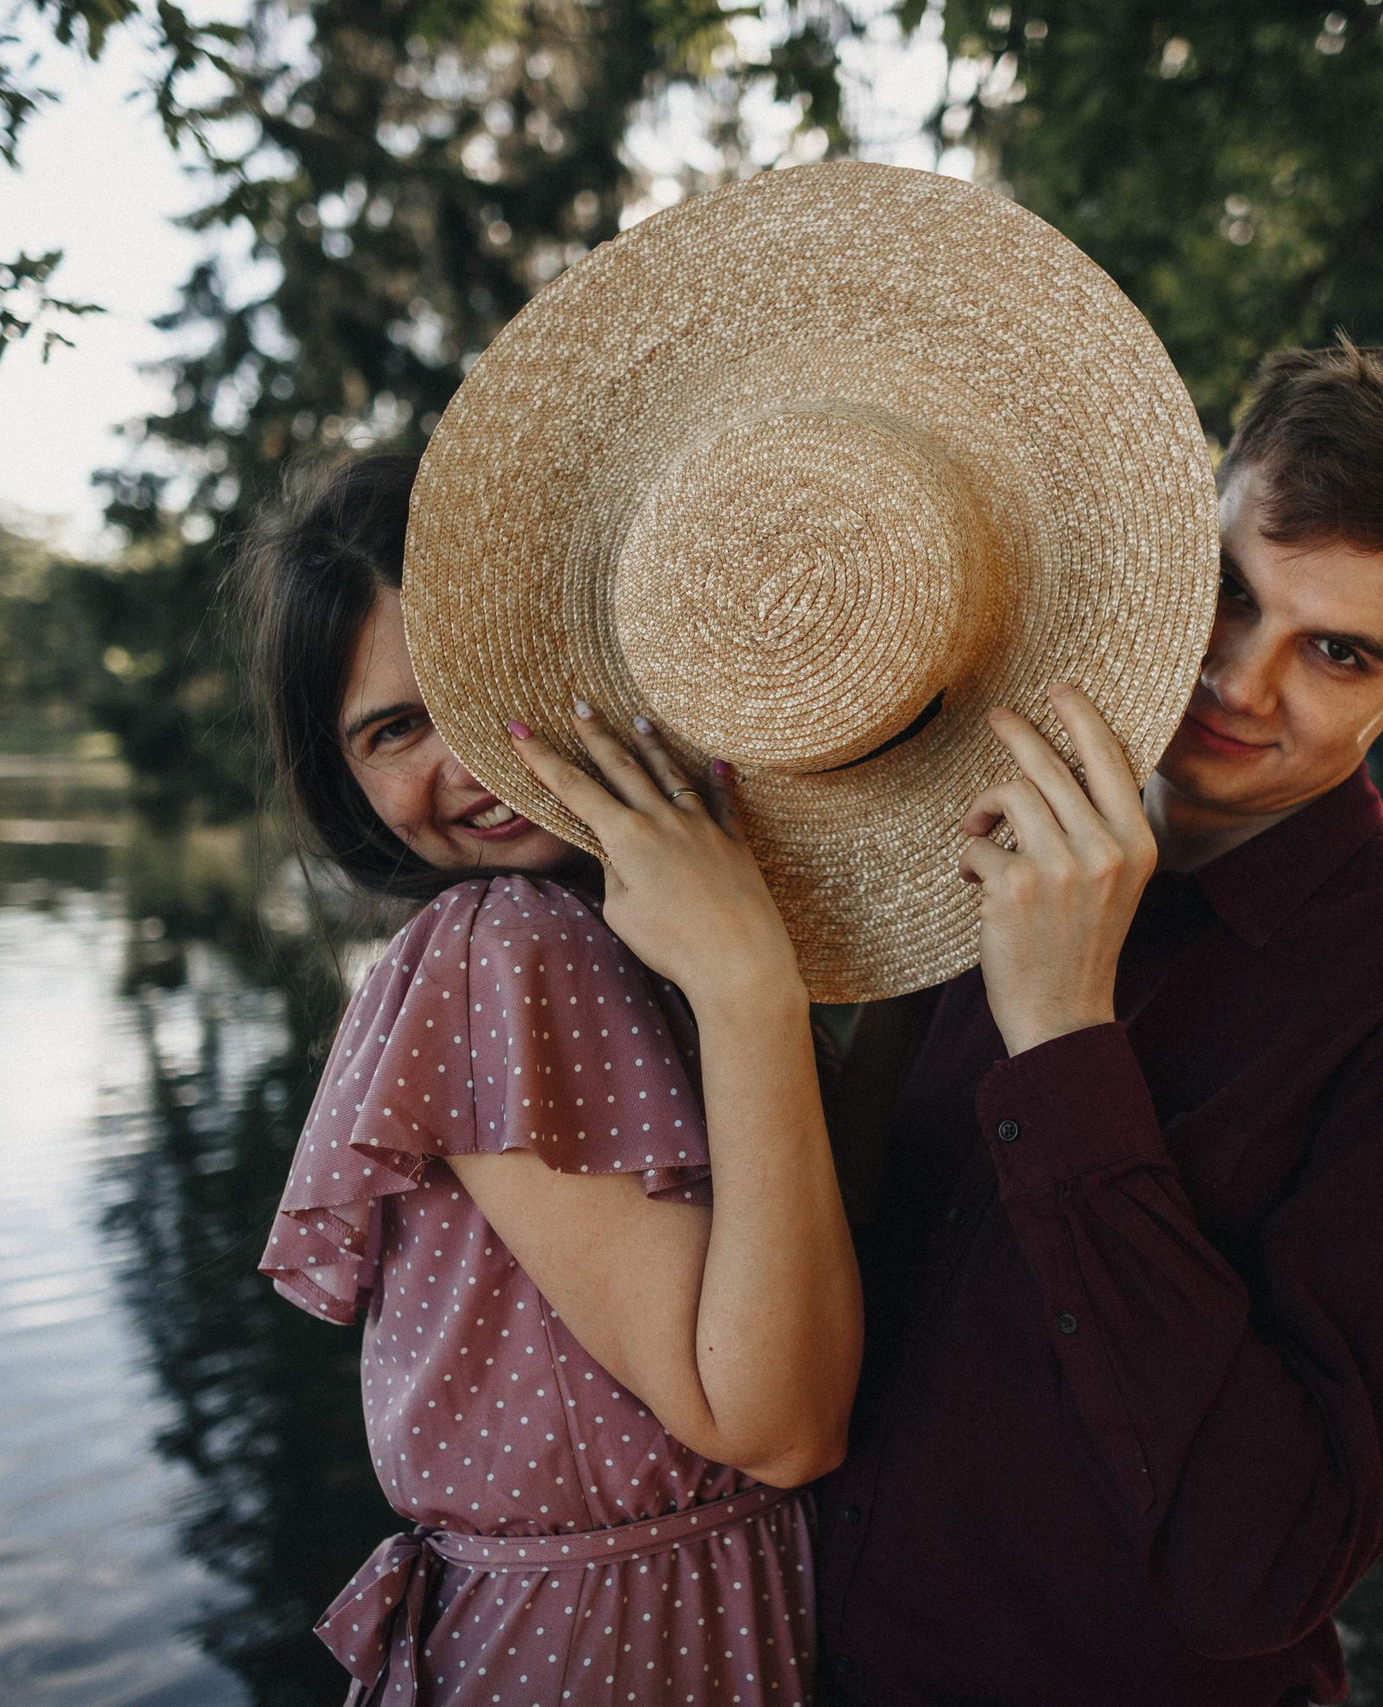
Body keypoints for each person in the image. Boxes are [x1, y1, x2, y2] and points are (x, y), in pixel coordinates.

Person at [811, 341, 1383, 1705]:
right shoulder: (966, 818)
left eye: (1337, 651)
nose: (1239, 679)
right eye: (1229, 590)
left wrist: (1063, 1035)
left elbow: (1262, 1564)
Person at [245, 452, 859, 1705]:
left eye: (486, 690)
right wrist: (749, 988)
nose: (470, 760)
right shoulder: (506, 944)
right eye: (395, 729)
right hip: (618, 1644)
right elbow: (778, 1427)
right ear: (345, 780)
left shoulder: (635, 928)